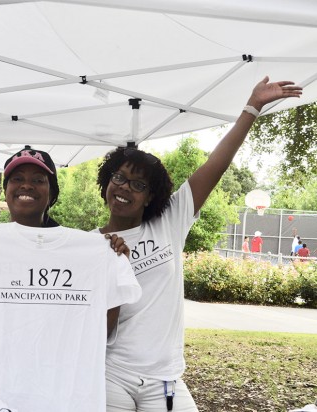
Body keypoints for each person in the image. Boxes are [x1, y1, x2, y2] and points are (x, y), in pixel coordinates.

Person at [94, 77, 302, 412]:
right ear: (107, 182)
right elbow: (91, 325)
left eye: (137, 184)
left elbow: (215, 165)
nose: (124, 188)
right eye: (118, 178)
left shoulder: (169, 222)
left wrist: (252, 106)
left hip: (165, 380)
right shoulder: (89, 245)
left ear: (150, 197)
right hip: (110, 374)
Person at [0, 147, 140, 411]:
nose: (26, 185)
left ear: (52, 192)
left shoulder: (86, 252)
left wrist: (109, 272)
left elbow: (102, 331)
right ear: (7, 189)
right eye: (17, 179)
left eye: (38, 180)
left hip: (56, 398)